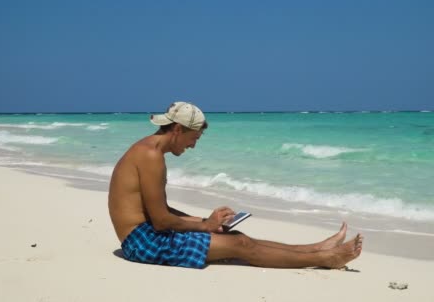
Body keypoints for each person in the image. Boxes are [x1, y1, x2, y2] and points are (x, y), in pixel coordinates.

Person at [108, 101, 362, 269]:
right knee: (240, 245)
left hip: (147, 233)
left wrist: (204, 221)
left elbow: (158, 212)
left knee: (235, 236)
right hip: (142, 243)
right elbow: (161, 221)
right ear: (177, 129)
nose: (192, 145)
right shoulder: (150, 156)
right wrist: (204, 225)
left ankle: (316, 248)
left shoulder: (150, 151)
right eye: (192, 138)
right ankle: (326, 258)